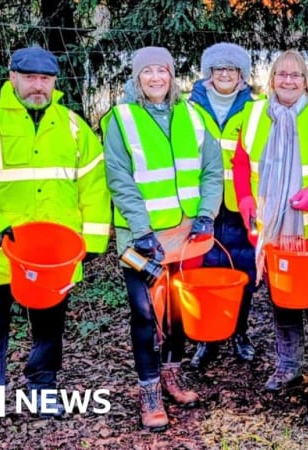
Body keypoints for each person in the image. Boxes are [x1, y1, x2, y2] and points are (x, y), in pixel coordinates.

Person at [0, 46, 111, 440]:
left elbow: (94, 184)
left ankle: (42, 389)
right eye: (30, 77)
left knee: (49, 325)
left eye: (46, 79)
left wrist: (94, 240)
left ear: (55, 82)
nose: (38, 86)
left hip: (55, 256)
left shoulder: (72, 126)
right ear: (12, 76)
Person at [101, 46, 223, 432]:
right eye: (147, 72)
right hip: (141, 237)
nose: (156, 78)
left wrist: (207, 213)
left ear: (172, 76)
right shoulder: (120, 119)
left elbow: (212, 170)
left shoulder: (194, 115)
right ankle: (149, 389)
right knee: (145, 312)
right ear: (136, 78)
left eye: (163, 71)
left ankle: (171, 373)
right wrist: (141, 230)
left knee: (177, 309)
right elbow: (119, 179)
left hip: (186, 234)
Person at [232, 50, 308, 391]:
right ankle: (288, 366)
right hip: (272, 225)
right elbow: (239, 163)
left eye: (296, 75)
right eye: (282, 75)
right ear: (272, 80)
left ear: (305, 81)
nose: (289, 81)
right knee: (284, 297)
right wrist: (245, 199)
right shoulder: (253, 115)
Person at [186, 42, 259, 369]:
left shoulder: (257, 109)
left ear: (242, 76)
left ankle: (239, 332)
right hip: (204, 205)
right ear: (208, 74)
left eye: (232, 69)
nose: (225, 74)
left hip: (244, 203)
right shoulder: (188, 109)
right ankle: (207, 338)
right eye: (218, 69)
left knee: (243, 268)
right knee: (206, 271)